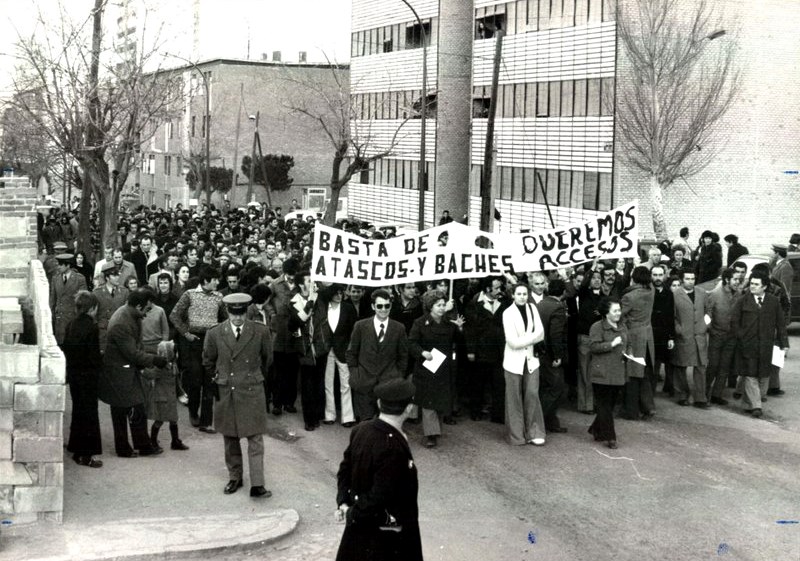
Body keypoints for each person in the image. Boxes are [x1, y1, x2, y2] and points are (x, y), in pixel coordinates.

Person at [335, 378, 422, 561]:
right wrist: (353, 514)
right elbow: (381, 494)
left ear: (379, 403)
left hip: (358, 533)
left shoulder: (360, 429)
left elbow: (344, 471)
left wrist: (343, 503)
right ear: (408, 409)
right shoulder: (392, 447)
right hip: (386, 538)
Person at [203, 293, 274, 497]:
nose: (238, 318)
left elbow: (268, 360)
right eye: (234, 314)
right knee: (230, 437)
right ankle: (235, 478)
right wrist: (218, 381)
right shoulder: (215, 333)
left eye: (242, 313)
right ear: (227, 312)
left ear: (247, 312)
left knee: (255, 438)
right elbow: (208, 361)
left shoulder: (260, 331)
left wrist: (256, 377)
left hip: (251, 389)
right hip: (227, 390)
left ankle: (257, 484)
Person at [98, 289, 168, 457]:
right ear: (138, 306)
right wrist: (154, 360)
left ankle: (138, 446)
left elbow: (138, 345)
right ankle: (127, 448)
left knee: (132, 407)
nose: (146, 314)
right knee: (124, 410)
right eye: (146, 310)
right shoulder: (122, 322)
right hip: (119, 372)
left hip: (126, 370)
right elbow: (132, 353)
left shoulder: (132, 315)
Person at [170, 267, 227, 433]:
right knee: (195, 380)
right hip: (193, 342)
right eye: (215, 279)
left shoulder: (219, 297)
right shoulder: (189, 294)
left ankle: (206, 421)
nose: (218, 282)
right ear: (205, 281)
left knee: (210, 380)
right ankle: (193, 412)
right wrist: (186, 334)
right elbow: (174, 315)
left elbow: (224, 318)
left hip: (211, 342)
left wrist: (220, 335)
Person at [408, 289, 465, 448]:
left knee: (440, 401)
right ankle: (431, 434)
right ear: (430, 306)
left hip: (444, 368)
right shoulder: (420, 323)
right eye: (438, 305)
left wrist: (460, 329)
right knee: (428, 402)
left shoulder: (449, 324)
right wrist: (422, 352)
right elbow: (411, 343)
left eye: (442, 305)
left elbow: (459, 343)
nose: (441, 308)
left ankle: (435, 429)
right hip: (426, 368)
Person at [730, 271, 789, 418]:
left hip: (766, 345)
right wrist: (740, 336)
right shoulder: (743, 300)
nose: (752, 286)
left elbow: (780, 324)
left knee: (763, 376)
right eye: (751, 283)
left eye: (756, 284)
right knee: (750, 374)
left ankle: (747, 402)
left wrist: (784, 343)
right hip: (747, 345)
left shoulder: (773, 302)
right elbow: (734, 321)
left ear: (764, 287)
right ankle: (756, 406)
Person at [346, 289, 409, 422]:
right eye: (379, 306)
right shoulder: (361, 326)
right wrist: (355, 373)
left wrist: (397, 375)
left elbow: (403, 355)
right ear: (373, 306)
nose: (383, 309)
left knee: (387, 424)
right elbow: (351, 353)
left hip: (388, 384)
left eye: (387, 306)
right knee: (366, 424)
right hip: (364, 383)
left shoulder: (399, 328)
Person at [63, 290, 103, 468]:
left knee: (78, 411)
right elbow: (93, 356)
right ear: (91, 308)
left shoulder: (70, 324)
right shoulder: (92, 327)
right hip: (88, 376)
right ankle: (86, 455)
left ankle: (75, 448)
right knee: (89, 415)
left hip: (74, 374)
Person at [502, 283, 546, 446]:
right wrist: (532, 337)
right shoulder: (507, 313)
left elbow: (541, 333)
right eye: (519, 294)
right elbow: (512, 342)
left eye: (525, 294)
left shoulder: (533, 309)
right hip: (513, 361)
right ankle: (516, 435)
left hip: (531, 360)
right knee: (514, 397)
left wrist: (529, 338)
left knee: (532, 394)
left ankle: (535, 432)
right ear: (512, 295)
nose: (522, 297)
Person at [463, 276, 508, 423]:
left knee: (499, 383)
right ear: (487, 289)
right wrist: (470, 350)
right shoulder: (474, 304)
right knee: (478, 383)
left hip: (499, 351)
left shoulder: (504, 302)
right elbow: (470, 329)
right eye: (496, 288)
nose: (500, 291)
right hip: (481, 351)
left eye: (500, 287)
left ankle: (498, 414)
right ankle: (475, 411)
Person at [314, 284, 358, 427]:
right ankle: (329, 415)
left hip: (343, 350)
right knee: (328, 383)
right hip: (327, 350)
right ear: (330, 294)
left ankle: (348, 417)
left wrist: (350, 348)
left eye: (341, 292)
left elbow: (354, 330)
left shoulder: (348, 308)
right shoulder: (324, 307)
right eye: (336, 293)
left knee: (345, 384)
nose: (340, 295)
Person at [587, 299, 628, 449]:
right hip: (601, 372)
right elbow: (593, 346)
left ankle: (595, 429)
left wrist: (628, 354)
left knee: (609, 405)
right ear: (606, 313)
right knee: (604, 405)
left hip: (618, 370)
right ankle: (610, 437)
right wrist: (611, 344)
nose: (618, 313)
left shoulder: (622, 326)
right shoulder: (597, 327)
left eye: (619, 310)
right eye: (615, 311)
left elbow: (627, 344)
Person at [619, 266, 656, 420]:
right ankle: (648, 407)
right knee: (645, 373)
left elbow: (618, 315)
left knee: (632, 375)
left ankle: (631, 410)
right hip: (647, 335)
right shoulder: (651, 292)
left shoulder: (630, 296)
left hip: (634, 336)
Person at [671, 271, 710, 408]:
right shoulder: (675, 295)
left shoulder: (702, 293)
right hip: (684, 335)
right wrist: (678, 329)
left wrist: (706, 324)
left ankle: (700, 398)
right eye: (687, 279)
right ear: (682, 280)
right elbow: (672, 316)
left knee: (700, 367)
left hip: (699, 335)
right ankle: (682, 395)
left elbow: (708, 310)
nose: (690, 281)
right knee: (681, 366)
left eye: (693, 278)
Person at [534, 278, 568, 434]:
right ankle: (538, 420)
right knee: (557, 388)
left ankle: (550, 422)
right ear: (563, 292)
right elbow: (556, 334)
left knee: (545, 387)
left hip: (539, 352)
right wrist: (557, 356)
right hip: (550, 355)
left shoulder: (539, 305)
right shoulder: (558, 308)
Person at [704, 269, 741, 405]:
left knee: (724, 367)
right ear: (727, 280)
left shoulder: (738, 294)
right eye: (735, 279)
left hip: (731, 337)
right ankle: (703, 394)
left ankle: (716, 395)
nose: (738, 282)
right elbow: (707, 314)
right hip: (717, 336)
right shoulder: (714, 294)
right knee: (713, 366)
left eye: (739, 279)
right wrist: (711, 330)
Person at [649, 265, 676, 396]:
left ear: (664, 276)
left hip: (664, 334)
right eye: (655, 275)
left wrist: (671, 337)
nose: (658, 278)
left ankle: (669, 387)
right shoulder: (647, 292)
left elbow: (671, 316)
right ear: (651, 275)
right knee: (654, 365)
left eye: (660, 275)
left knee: (669, 361)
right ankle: (651, 392)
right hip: (651, 333)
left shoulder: (668, 294)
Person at [51, 253, 88, 345]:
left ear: (68, 265)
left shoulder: (79, 279)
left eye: (60, 265)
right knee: (60, 343)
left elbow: (84, 301)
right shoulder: (55, 278)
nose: (58, 267)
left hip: (73, 318)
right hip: (60, 318)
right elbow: (53, 299)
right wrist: (52, 315)